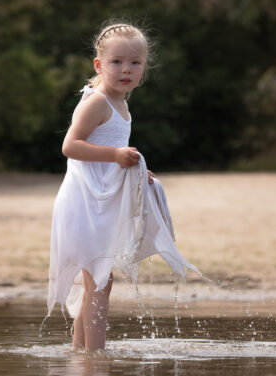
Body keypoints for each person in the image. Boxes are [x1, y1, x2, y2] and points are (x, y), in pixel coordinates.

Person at [46, 22, 199, 351]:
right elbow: (71, 146)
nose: (126, 69)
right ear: (99, 65)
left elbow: (109, 158)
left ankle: (80, 356)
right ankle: (95, 358)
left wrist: (136, 170)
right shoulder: (98, 102)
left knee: (96, 281)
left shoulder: (121, 104)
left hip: (98, 204)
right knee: (100, 281)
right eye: (117, 62)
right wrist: (116, 154)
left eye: (135, 62)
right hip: (82, 206)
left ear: (145, 66)